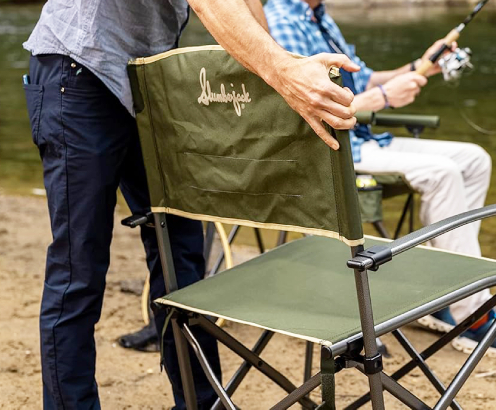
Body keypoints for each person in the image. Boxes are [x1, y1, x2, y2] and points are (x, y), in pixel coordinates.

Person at [22, 0, 360, 408]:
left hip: (147, 78)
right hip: (78, 71)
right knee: (80, 266)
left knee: (181, 258)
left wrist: (285, 63)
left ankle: (202, 403)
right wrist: (284, 72)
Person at [264, 0, 496, 360]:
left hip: (365, 138)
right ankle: (473, 316)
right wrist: (381, 99)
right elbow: (309, 106)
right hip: (334, 148)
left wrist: (422, 66)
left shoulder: (318, 17)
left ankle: (447, 297)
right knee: (442, 174)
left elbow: (364, 79)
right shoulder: (283, 21)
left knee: (475, 160)